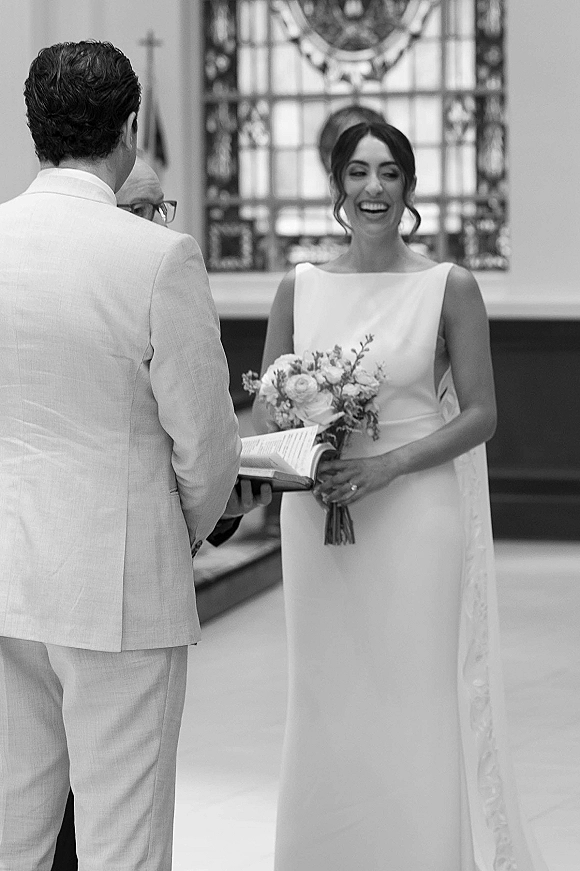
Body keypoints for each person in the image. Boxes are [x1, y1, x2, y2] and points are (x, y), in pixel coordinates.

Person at [254, 121, 548, 870]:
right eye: (358, 172)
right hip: (318, 514)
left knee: (414, 695)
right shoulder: (299, 286)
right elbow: (265, 403)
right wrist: (302, 429)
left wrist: (390, 465)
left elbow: (481, 414)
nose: (373, 187)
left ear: (409, 187)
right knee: (325, 691)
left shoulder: (449, 286)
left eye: (388, 172)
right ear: (337, 187)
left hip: (417, 516)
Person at [0, 41, 241, 870]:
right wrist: (184, 531)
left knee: (13, 836)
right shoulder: (157, 255)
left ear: (34, 126)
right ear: (131, 127)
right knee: (122, 845)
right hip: (121, 587)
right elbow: (207, 445)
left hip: (7, 577)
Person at [49, 153, 271, 871]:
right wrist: (205, 506)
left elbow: (192, 442)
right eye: (134, 210)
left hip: (96, 574)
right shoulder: (92, 288)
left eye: (157, 209)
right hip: (87, 587)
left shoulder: (153, 284)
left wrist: (224, 511)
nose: (151, 224)